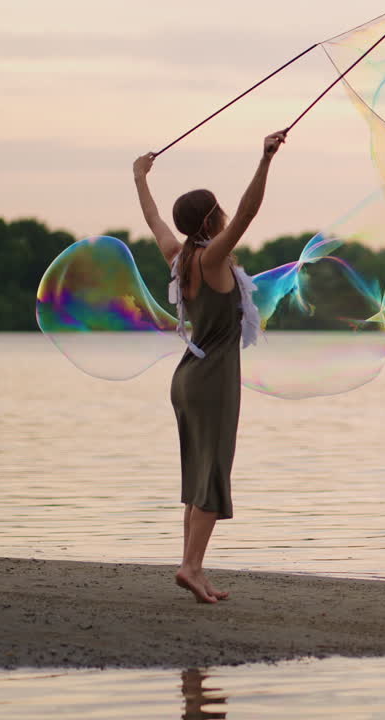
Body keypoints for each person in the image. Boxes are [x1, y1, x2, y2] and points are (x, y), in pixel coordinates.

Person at [132, 130, 287, 603]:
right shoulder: (213, 259)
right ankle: (191, 566)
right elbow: (248, 214)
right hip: (213, 379)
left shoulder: (178, 257)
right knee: (212, 472)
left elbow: (154, 219)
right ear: (209, 220)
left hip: (187, 378)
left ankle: (193, 567)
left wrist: (139, 177)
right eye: (218, 211)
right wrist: (265, 160)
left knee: (197, 473)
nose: (225, 215)